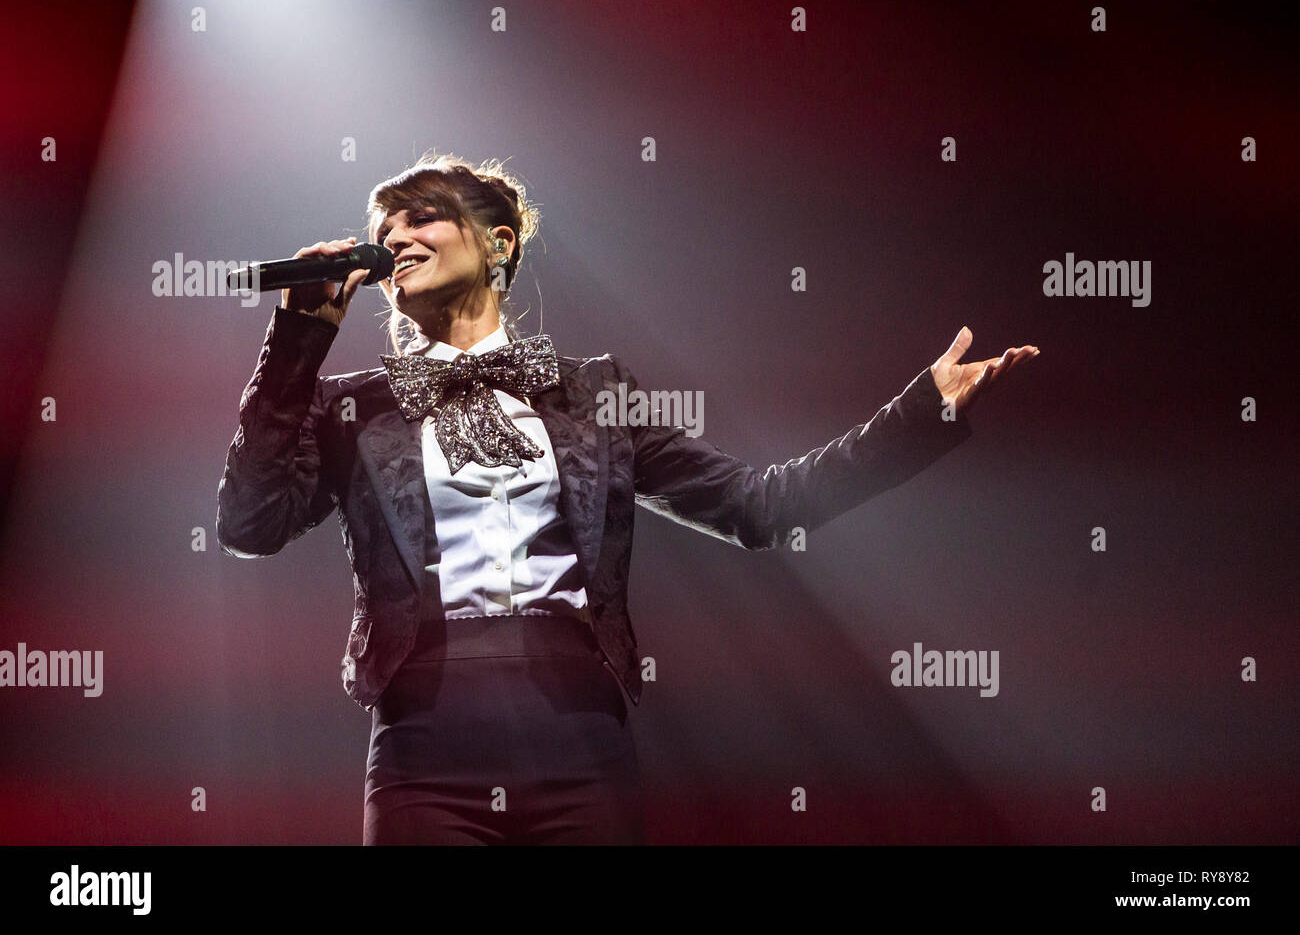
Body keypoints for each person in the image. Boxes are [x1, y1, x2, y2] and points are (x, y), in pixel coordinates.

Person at [216, 151, 1039, 845]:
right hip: (423, 743)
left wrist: (916, 416)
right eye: (386, 232)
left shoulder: (592, 394)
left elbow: (760, 508)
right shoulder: (357, 406)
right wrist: (297, 341)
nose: (397, 239)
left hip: (578, 735)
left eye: (423, 218)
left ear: (497, 242)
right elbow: (250, 524)